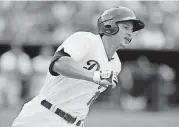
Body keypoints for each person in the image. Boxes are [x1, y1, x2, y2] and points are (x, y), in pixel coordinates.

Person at [11, 6, 145, 127]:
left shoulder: (116, 64)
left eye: (132, 30)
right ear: (109, 26)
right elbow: (59, 63)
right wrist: (95, 75)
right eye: (126, 27)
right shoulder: (86, 40)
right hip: (45, 116)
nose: (130, 33)